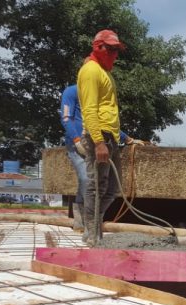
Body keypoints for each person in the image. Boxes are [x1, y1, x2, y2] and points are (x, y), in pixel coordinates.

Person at [60, 85, 143, 231]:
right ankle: (83, 222)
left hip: (98, 144)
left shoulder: (100, 95)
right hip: (78, 145)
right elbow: (66, 118)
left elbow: (106, 125)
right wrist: (76, 140)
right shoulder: (72, 92)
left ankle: (93, 220)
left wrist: (128, 139)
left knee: (107, 187)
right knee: (86, 179)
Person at [76, 29, 129, 247]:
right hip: (100, 137)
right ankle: (92, 233)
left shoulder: (104, 72)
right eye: (112, 49)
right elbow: (89, 110)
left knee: (112, 189)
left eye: (117, 50)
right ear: (99, 48)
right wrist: (98, 141)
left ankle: (94, 225)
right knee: (96, 186)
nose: (115, 54)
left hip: (111, 137)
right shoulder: (90, 71)